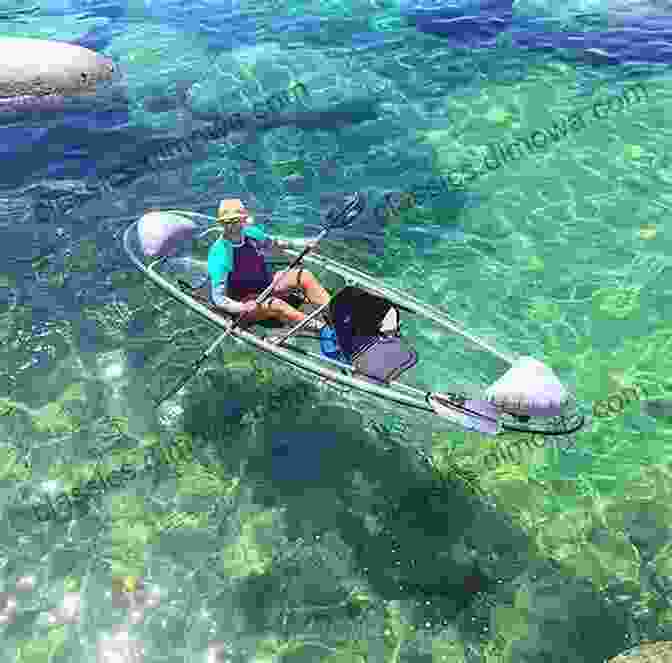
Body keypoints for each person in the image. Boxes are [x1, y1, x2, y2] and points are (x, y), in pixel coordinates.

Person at [207, 198, 332, 330]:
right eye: (227, 222)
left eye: (236, 221)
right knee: (276, 305)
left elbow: (275, 244)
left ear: (243, 220)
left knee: (303, 275)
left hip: (267, 285)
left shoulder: (252, 233)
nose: (232, 226)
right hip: (246, 303)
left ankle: (335, 314)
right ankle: (323, 329)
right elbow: (218, 297)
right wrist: (242, 307)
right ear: (222, 224)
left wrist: (301, 244)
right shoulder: (219, 253)